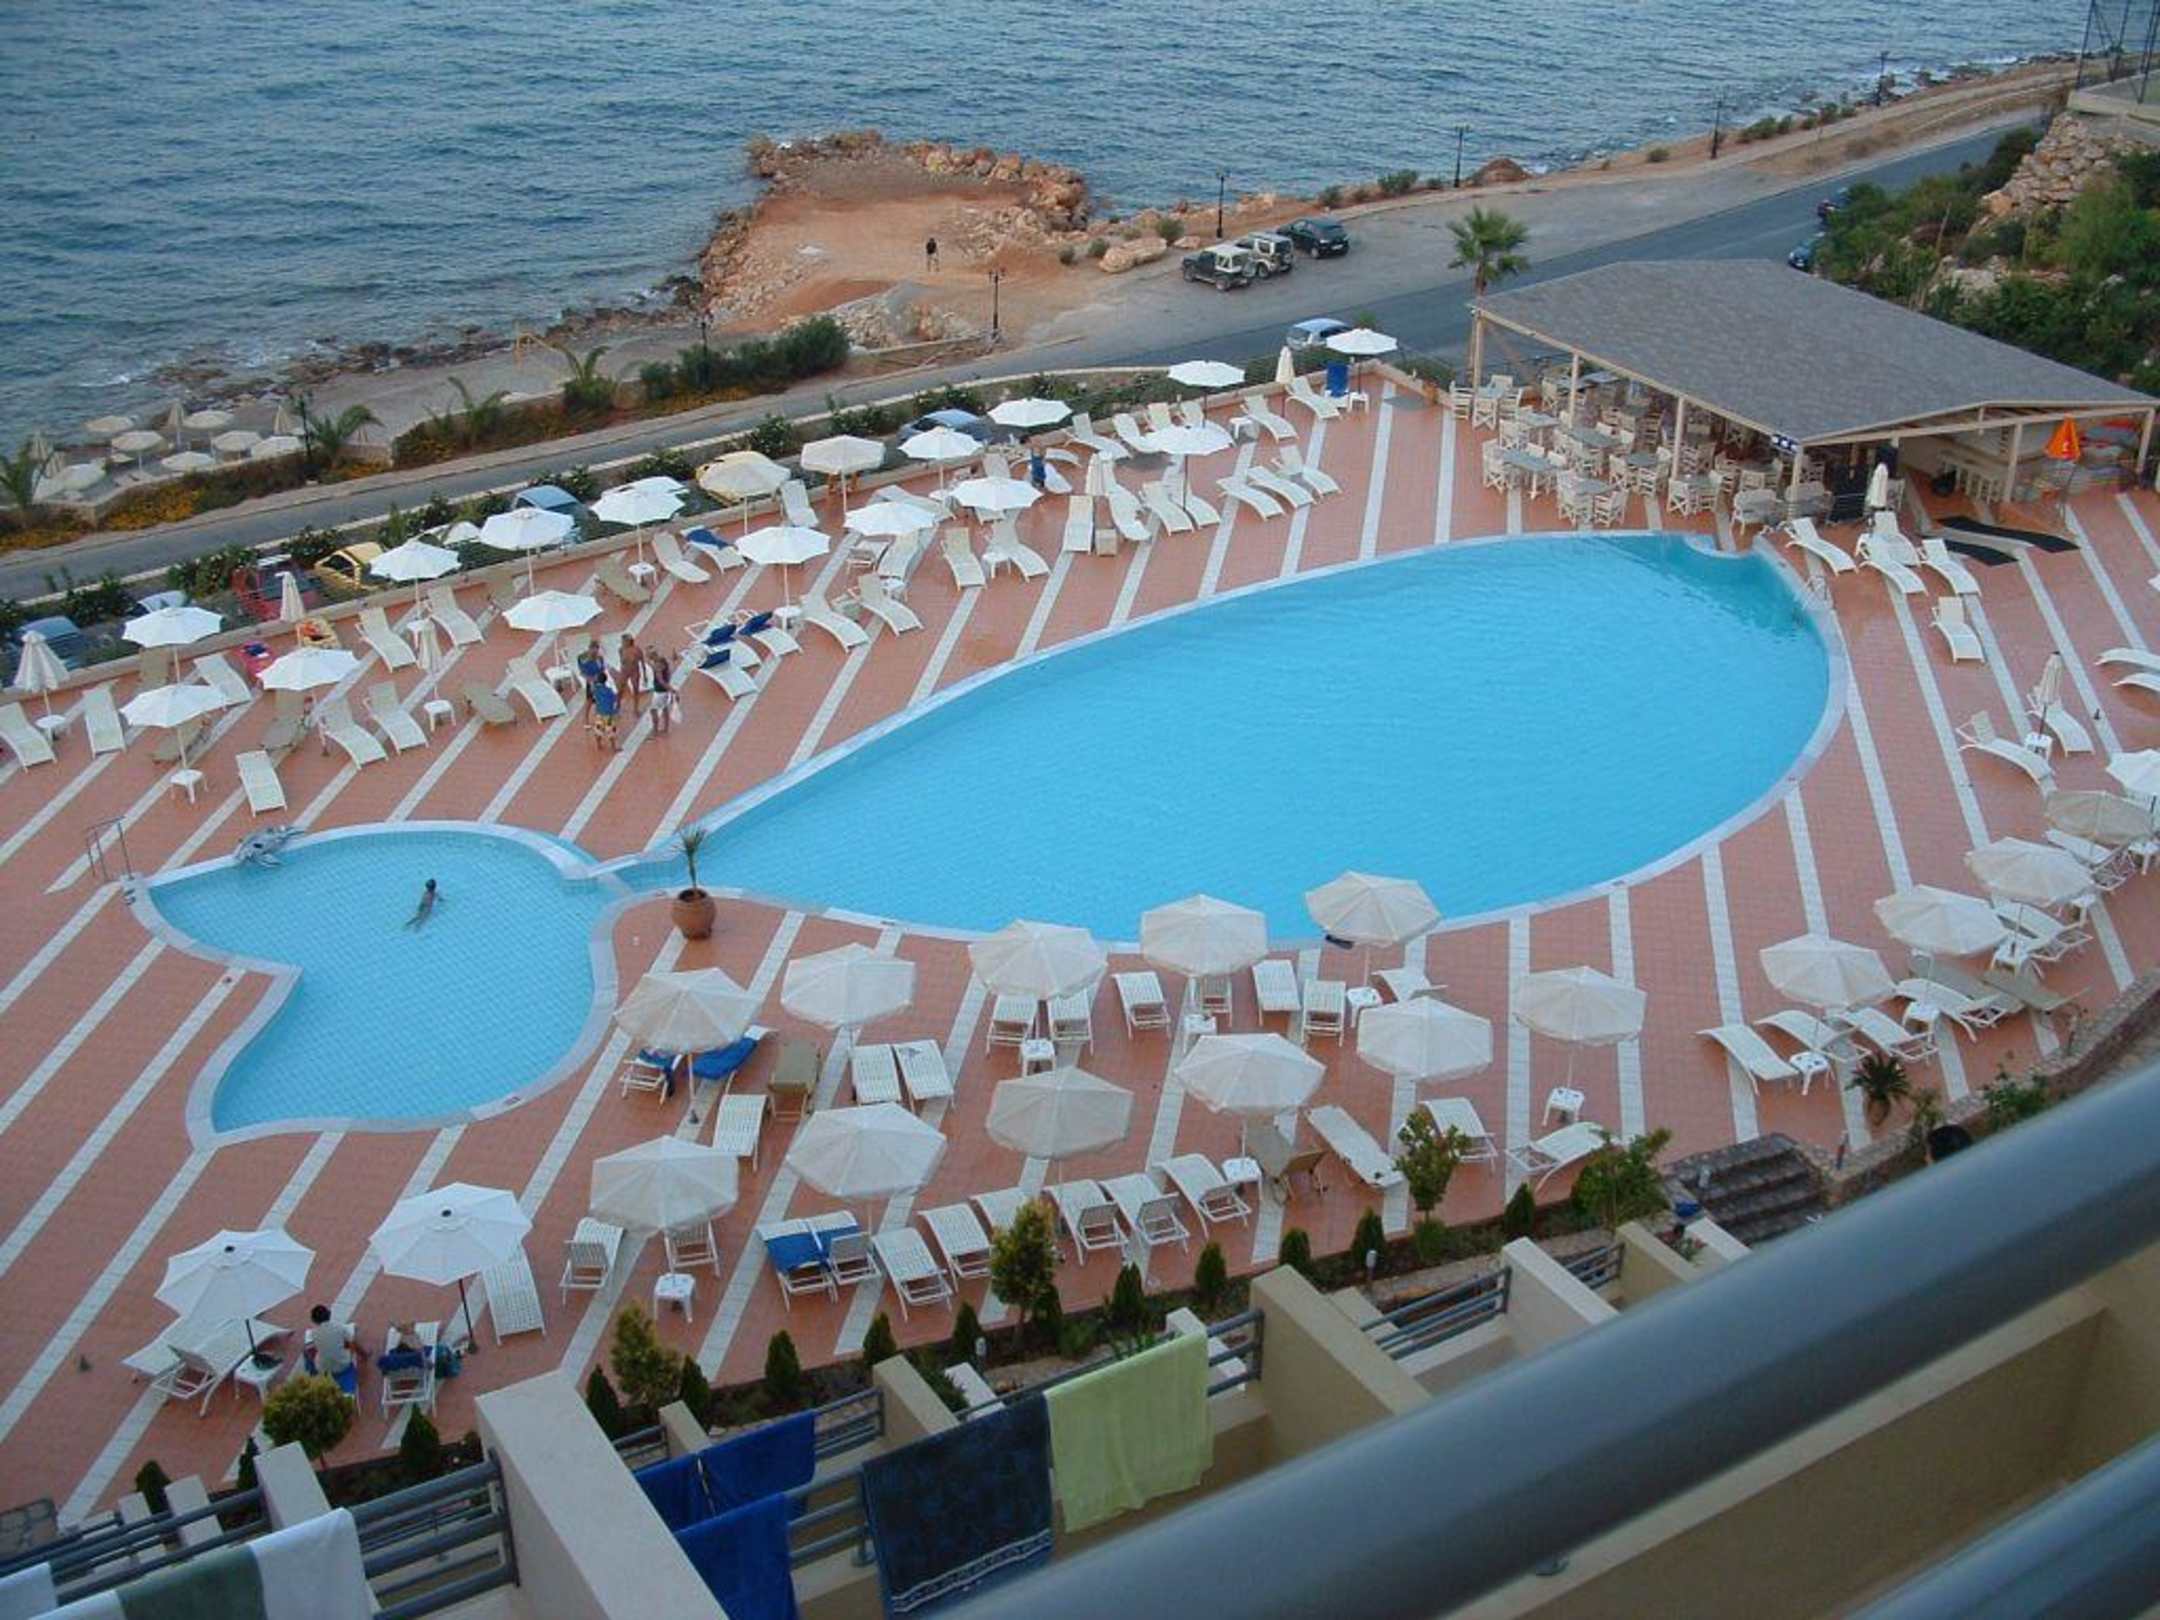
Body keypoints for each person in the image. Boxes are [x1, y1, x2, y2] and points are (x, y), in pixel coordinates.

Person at [304, 1304, 361, 1394]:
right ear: (329, 1314)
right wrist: (356, 1354)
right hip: (343, 1365)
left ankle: (313, 1374)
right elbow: (353, 1344)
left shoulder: (313, 1333)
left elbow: (311, 1351)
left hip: (324, 1368)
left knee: (306, 1351)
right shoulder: (340, 1327)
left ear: (313, 1320)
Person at [647, 650, 675, 736]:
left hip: (659, 692)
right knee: (664, 709)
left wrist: (671, 689)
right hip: (664, 692)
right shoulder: (665, 665)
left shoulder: (658, 667)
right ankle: (665, 728)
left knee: (653, 710)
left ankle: (655, 730)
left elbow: (661, 681)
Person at [591, 669, 620, 750]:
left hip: (599, 712)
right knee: (611, 730)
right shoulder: (609, 690)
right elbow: (614, 701)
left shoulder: (596, 689)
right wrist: (616, 711)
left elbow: (593, 688)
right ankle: (613, 747)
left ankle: (598, 745)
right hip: (608, 714)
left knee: (598, 728)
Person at [619, 633, 644, 716]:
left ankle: (636, 709)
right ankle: (618, 706)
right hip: (624, 671)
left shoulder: (636, 650)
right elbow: (621, 662)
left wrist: (645, 675)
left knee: (636, 690)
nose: (623, 643)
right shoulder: (621, 649)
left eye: (624, 641)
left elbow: (642, 662)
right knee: (620, 689)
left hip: (634, 672)